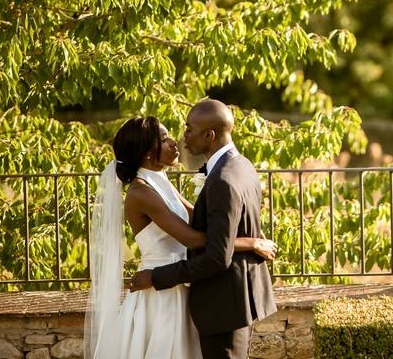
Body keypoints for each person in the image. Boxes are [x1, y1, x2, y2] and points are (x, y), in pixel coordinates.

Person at [85, 115, 277, 359]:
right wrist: (250, 243)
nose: (174, 143)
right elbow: (194, 239)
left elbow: (201, 222)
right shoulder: (140, 192)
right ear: (146, 152)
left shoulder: (161, 181)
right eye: (164, 140)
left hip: (183, 282)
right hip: (161, 292)